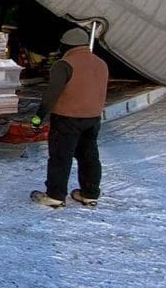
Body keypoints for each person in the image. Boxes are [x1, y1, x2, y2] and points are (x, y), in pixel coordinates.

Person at [29, 27, 109, 208]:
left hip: (67, 119)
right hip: (93, 119)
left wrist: (38, 118)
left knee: (60, 157)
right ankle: (89, 194)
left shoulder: (64, 64)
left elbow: (51, 95)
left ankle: (55, 196)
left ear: (66, 45)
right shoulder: (101, 63)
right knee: (89, 156)